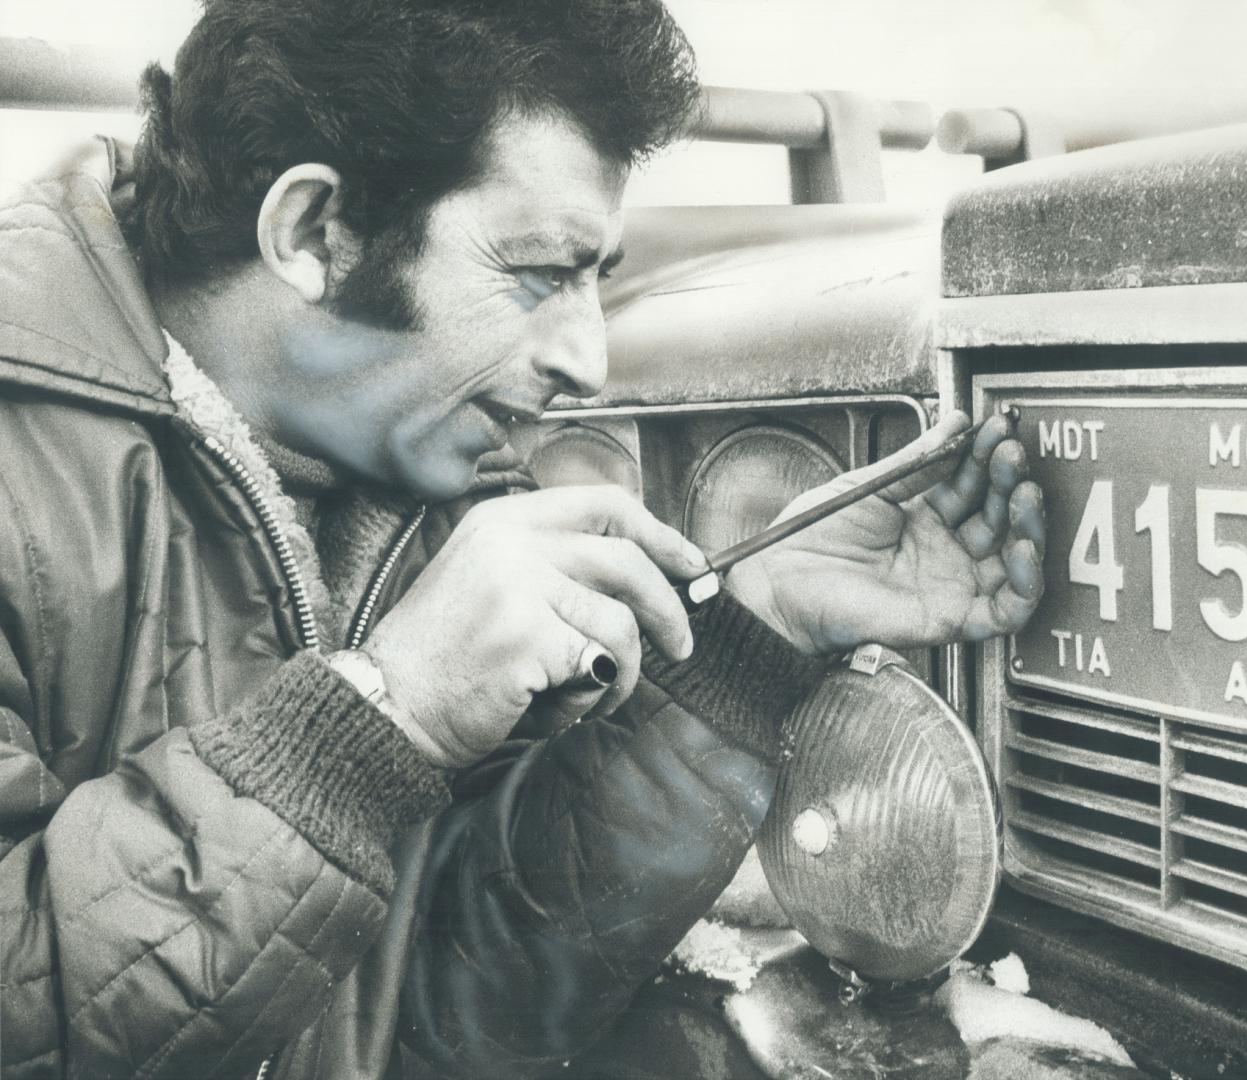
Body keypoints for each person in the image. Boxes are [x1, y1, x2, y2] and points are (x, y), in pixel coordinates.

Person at [0, 1, 1045, 1076]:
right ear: (312, 231)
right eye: (542, 273)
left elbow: (436, 1018)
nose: (586, 359)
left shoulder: (430, 467)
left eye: (599, 278)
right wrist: (378, 719)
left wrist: (752, 641)